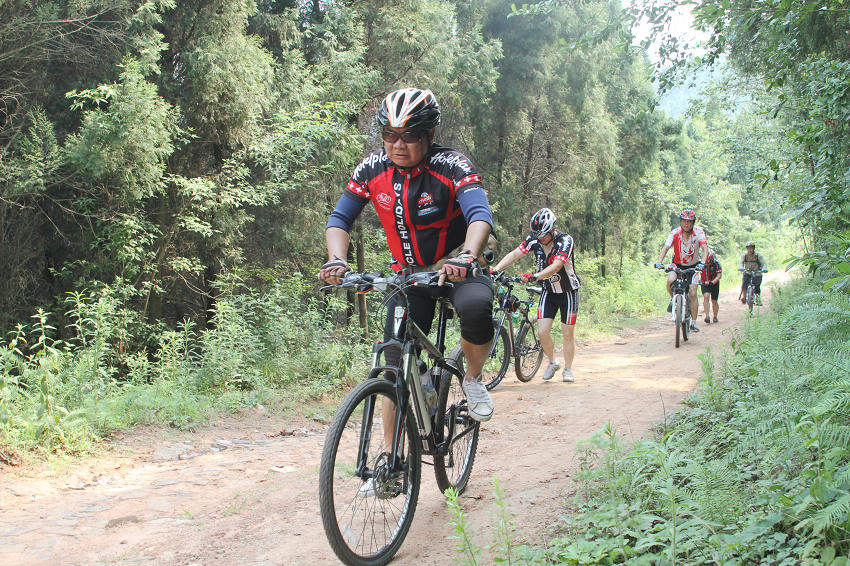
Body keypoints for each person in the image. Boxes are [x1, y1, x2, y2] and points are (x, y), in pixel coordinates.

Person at [319, 87, 496, 425]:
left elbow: (479, 215)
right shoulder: (371, 168)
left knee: (476, 308)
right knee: (393, 363)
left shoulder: (452, 165)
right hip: (409, 273)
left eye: (410, 135)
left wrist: (467, 256)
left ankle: (473, 379)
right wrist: (337, 259)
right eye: (390, 134)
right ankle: (390, 454)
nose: (398, 144)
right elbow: (340, 219)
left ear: (430, 135)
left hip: (456, 265)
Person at [492, 208, 581, 383]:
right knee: (542, 332)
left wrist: (536, 276)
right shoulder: (534, 239)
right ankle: (553, 362)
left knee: (567, 332)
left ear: (552, 229)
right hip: (549, 292)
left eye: (543, 235)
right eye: (537, 235)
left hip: (568, 292)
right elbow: (515, 254)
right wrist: (496, 269)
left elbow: (557, 265)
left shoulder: (565, 241)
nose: (540, 239)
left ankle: (568, 369)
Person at [655, 208, 708, 332]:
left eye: (689, 221)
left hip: (694, 266)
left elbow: (705, 249)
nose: (686, 224)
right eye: (684, 221)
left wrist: (702, 263)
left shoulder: (699, 232)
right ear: (680, 221)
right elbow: (665, 247)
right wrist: (659, 262)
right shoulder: (675, 233)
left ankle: (693, 322)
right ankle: (672, 299)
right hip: (677, 265)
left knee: (693, 292)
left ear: (693, 222)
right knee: (670, 281)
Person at [700, 249, 722, 324]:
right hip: (704, 282)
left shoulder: (716, 263)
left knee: (714, 301)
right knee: (706, 296)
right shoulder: (700, 264)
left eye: (709, 263)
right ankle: (707, 316)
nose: (707, 265)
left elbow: (719, 275)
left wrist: (712, 282)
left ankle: (715, 316)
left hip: (714, 283)